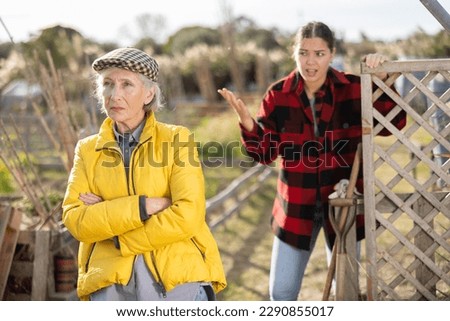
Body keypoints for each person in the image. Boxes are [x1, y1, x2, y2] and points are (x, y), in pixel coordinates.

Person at [218, 21, 406, 300]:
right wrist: (248, 124)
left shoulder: (353, 88)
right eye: (304, 52)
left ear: (331, 54)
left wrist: (384, 80)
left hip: (342, 205)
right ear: (294, 52)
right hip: (295, 207)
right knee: (281, 295)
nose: (311, 61)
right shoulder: (278, 95)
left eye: (319, 54)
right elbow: (265, 153)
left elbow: (395, 124)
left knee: (345, 294)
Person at [62, 47, 226, 301]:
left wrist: (115, 232)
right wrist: (144, 206)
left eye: (127, 84)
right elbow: (76, 219)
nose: (115, 94)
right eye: (107, 84)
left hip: (177, 279)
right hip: (110, 284)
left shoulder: (177, 139)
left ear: (149, 93)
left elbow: (188, 214)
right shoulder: (87, 149)